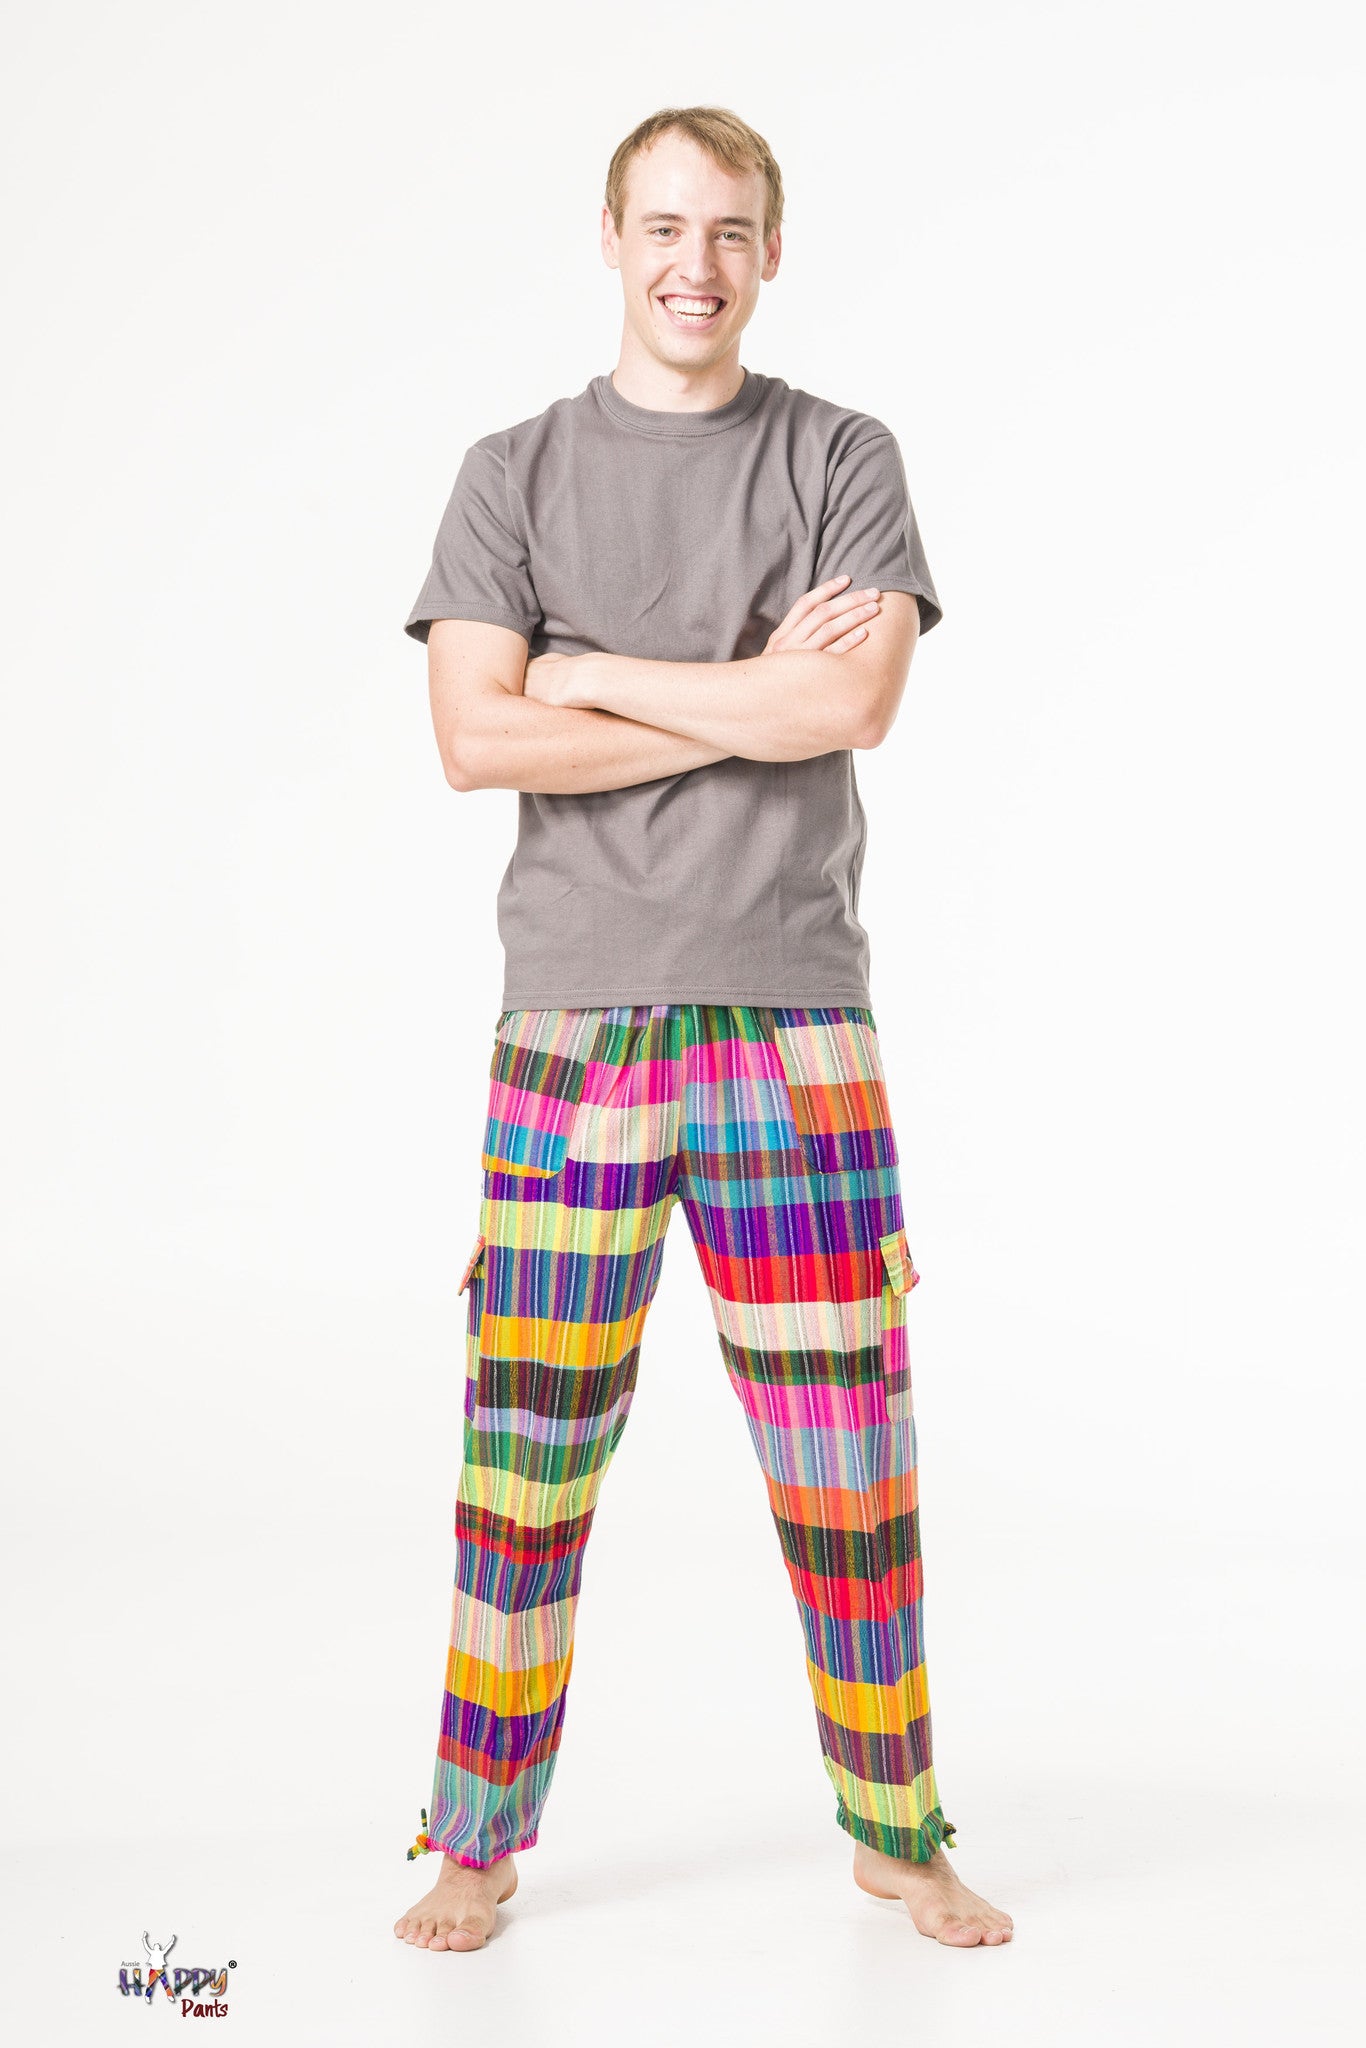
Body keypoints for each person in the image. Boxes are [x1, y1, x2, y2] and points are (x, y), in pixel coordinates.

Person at [392, 105, 1014, 1953]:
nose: (695, 263)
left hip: (794, 1024)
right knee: (526, 1453)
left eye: (728, 231)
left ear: (769, 252)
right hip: (572, 1029)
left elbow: (853, 707)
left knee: (847, 1458)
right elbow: (473, 739)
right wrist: (750, 694)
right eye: (664, 227)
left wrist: (586, 670)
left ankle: (896, 1831)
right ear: (610, 239)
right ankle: (473, 1842)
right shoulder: (510, 473)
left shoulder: (840, 455)